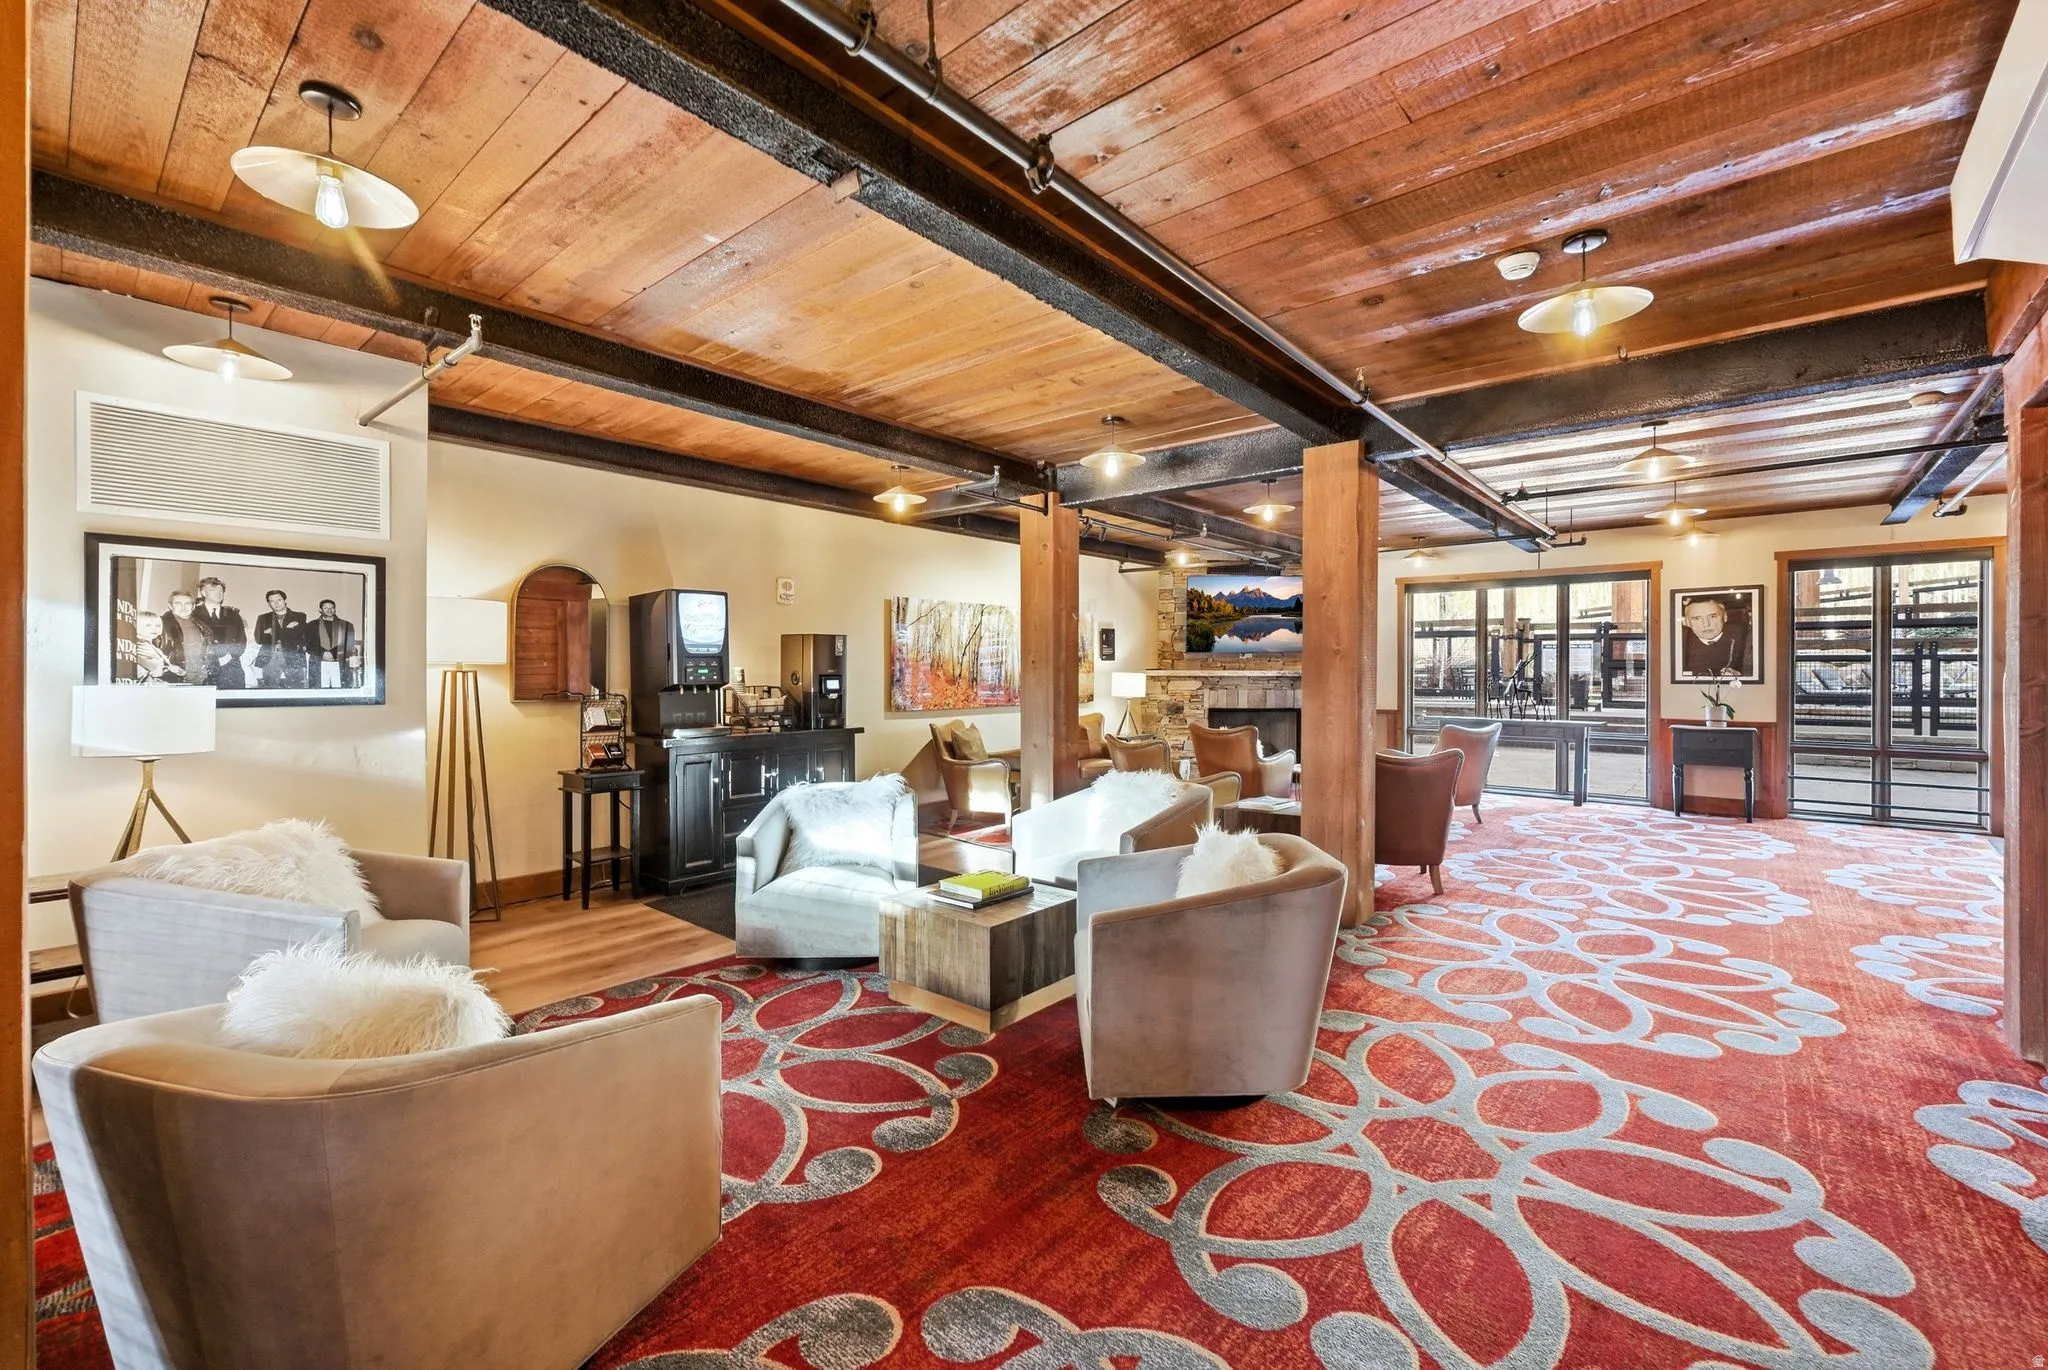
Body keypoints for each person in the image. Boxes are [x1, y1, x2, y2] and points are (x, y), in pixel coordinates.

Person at [191, 577, 247, 689]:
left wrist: (229, 657)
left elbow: (241, 640)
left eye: (221, 591)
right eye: (214, 590)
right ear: (203, 592)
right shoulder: (193, 614)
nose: (219, 593)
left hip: (230, 665)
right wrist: (213, 662)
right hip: (203, 667)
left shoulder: (233, 614)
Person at [1680, 595, 1751, 679]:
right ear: (1687, 622)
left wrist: (1742, 678)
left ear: (1725, 617)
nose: (1706, 624)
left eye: (1712, 616)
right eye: (1697, 618)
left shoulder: (1746, 638)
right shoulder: (1680, 641)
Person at [253, 589, 311, 689]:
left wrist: (273, 633)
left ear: (285, 600)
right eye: (272, 601)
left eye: (279, 600)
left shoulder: (300, 616)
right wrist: (288, 630)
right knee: (270, 688)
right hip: (271, 656)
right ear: (269, 604)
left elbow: (303, 637)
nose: (276, 603)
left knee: (296, 687)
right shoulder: (263, 618)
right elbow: (259, 639)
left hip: (293, 654)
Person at [156, 590, 205, 683]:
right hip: (173, 678)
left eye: (187, 603)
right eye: (178, 604)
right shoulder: (160, 623)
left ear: (193, 606)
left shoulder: (202, 627)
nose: (183, 607)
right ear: (170, 606)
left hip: (199, 678)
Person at [309, 598, 358, 689]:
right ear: (320, 610)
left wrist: (333, 653)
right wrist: (322, 653)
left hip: (339, 660)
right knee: (320, 691)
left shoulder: (347, 625)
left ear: (335, 609)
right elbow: (309, 643)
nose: (329, 610)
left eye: (331, 607)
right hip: (319, 661)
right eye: (325, 608)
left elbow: (349, 643)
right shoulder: (311, 625)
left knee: (339, 689)